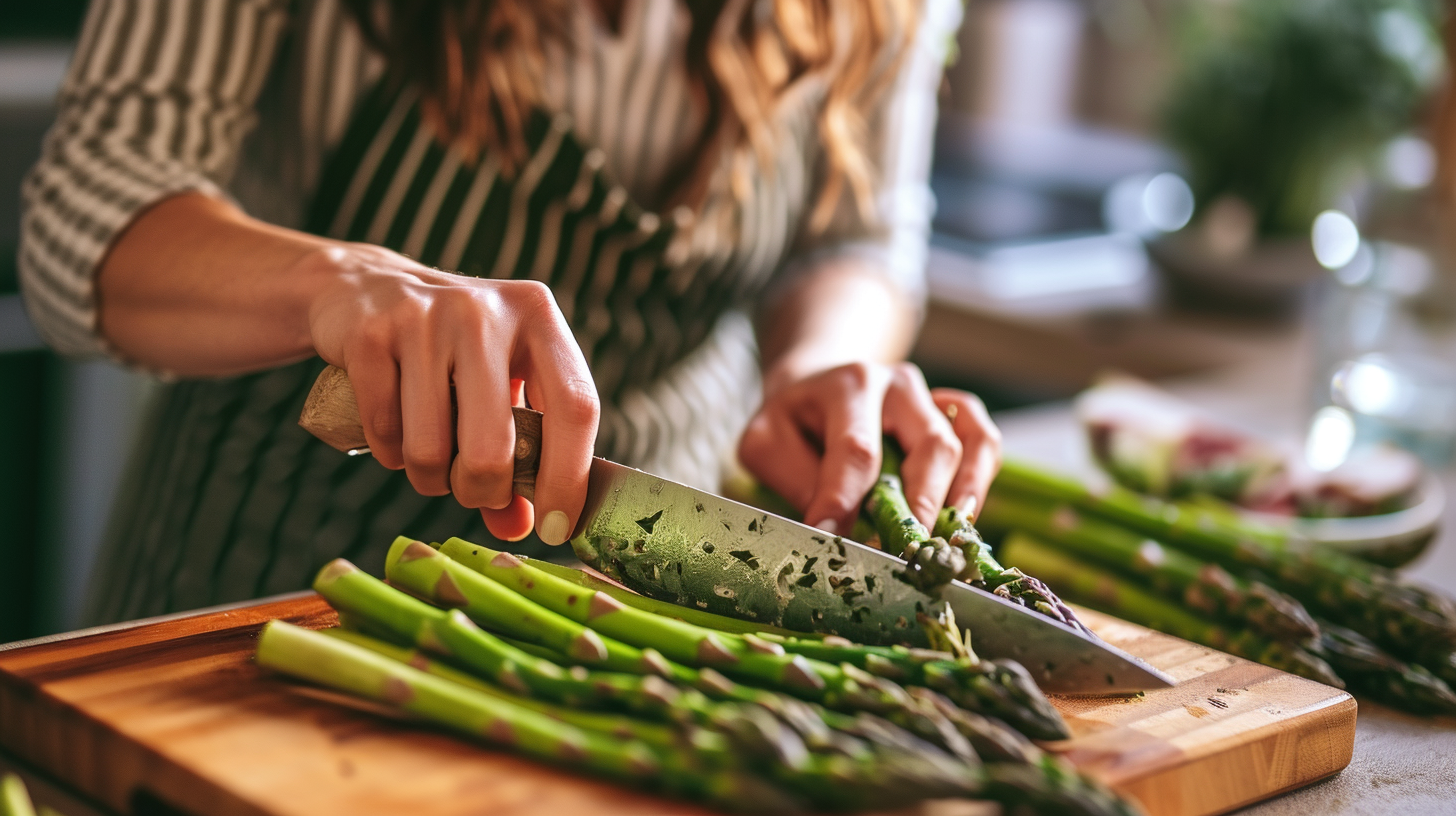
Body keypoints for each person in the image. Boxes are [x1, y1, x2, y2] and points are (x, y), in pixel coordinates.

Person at [19, 0, 999, 625]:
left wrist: (820, 365)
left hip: (644, 613)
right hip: (278, 574)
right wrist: (344, 286)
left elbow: (856, 238)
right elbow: (90, 209)